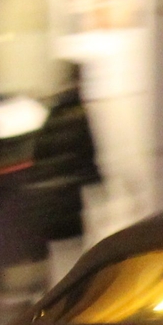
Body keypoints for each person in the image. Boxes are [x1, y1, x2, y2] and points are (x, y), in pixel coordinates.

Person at [27, 62, 102, 284]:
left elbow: (39, 155)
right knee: (74, 259)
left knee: (57, 258)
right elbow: (89, 155)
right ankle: (72, 298)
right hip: (70, 201)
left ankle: (54, 299)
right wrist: (99, 185)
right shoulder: (80, 113)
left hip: (50, 202)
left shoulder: (52, 113)